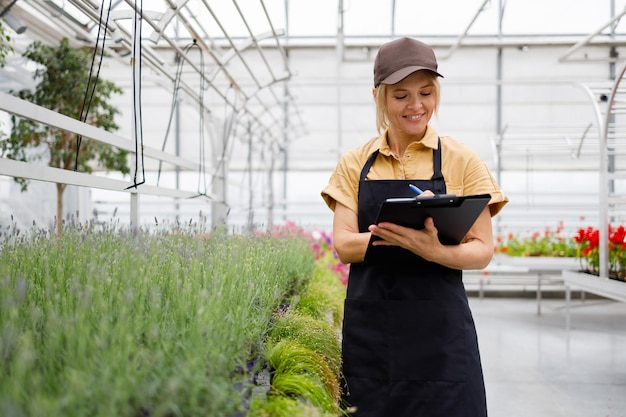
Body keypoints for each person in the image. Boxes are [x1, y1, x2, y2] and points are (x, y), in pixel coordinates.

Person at [321, 37, 508, 417]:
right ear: (379, 96)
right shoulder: (356, 163)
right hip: (375, 334)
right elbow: (342, 245)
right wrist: (398, 237)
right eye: (401, 95)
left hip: (441, 335)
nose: (416, 105)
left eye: (426, 92)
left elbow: (483, 248)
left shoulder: (462, 160)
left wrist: (435, 250)